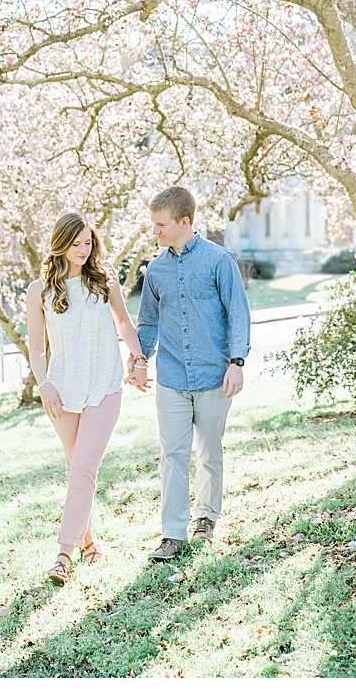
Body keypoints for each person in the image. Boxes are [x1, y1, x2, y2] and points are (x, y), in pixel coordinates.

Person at [26, 212, 147, 586]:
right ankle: (90, 545)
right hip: (61, 392)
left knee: (83, 469)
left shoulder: (103, 281)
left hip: (105, 387)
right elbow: (35, 345)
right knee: (76, 468)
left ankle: (63, 555)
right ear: (61, 244)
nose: (84, 250)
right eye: (76, 243)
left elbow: (124, 323)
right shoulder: (40, 291)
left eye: (88, 242)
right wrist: (43, 383)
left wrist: (140, 359)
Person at [134, 186, 251, 563]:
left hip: (214, 376)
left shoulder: (219, 261)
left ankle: (206, 518)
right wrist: (138, 361)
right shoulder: (155, 269)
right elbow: (148, 323)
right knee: (173, 455)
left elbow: (238, 312)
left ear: (185, 222)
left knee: (209, 452)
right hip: (170, 378)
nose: (156, 232)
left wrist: (237, 362)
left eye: (161, 225)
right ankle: (172, 533)